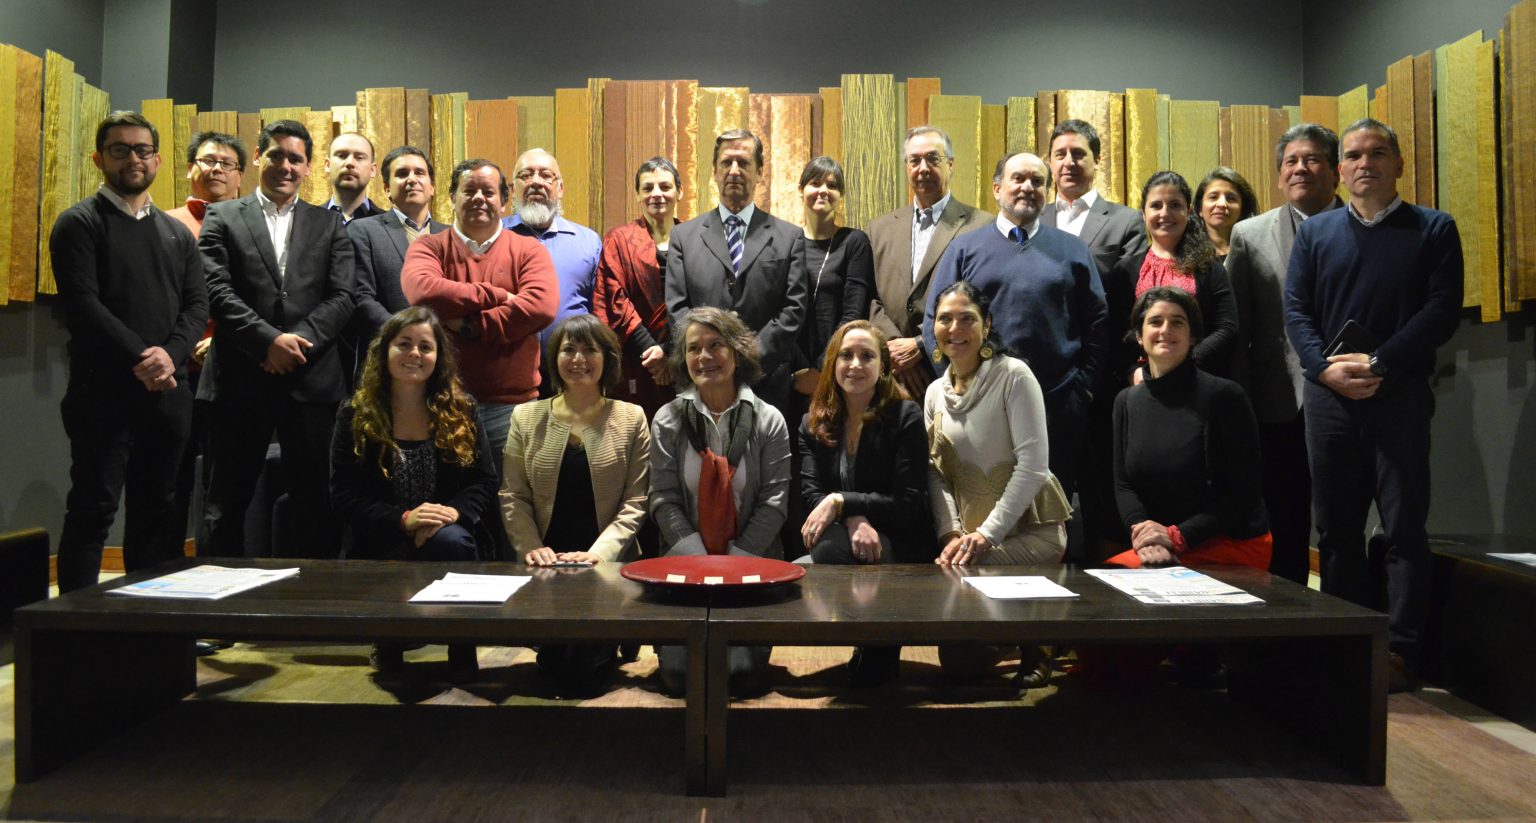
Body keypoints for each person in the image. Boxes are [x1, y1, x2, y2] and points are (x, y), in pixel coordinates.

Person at [1284, 118, 1463, 692]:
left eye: (1377, 153)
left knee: (1403, 527)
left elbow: (1441, 311)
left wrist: (1381, 362)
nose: (1365, 164)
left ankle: (1400, 651)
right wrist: (1324, 369)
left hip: (1399, 397)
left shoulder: (1434, 229)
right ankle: (1346, 642)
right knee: (1336, 531)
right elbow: (1296, 310)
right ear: (1341, 170)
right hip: (1329, 401)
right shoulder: (1316, 233)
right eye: (1355, 155)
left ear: (1399, 164)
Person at [50, 111, 208, 592]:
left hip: (168, 395)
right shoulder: (79, 223)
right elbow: (83, 306)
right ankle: (76, 625)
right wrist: (145, 358)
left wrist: (170, 357)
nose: (133, 159)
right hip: (103, 394)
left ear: (157, 159)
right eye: (120, 149)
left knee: (158, 511)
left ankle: (144, 621)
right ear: (98, 158)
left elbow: (196, 306)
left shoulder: (176, 233)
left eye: (142, 150)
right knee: (94, 508)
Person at [923, 152, 1107, 564]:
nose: (1028, 187)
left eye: (1038, 181)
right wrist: (961, 387)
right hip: (979, 413)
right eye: (1018, 179)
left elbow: (1097, 324)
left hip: (1058, 405)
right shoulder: (966, 247)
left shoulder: (1072, 249)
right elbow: (937, 320)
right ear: (997, 188)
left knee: (1043, 523)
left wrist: (1082, 391)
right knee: (980, 526)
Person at [199, 118, 355, 559]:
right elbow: (214, 289)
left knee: (317, 505)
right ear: (258, 158)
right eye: (276, 155)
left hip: (311, 381)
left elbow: (343, 296)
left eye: (295, 159)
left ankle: (312, 598)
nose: (285, 166)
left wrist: (296, 342)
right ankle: (219, 599)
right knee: (225, 504)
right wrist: (267, 342)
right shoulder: (222, 216)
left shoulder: (329, 224)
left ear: (308, 167)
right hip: (240, 379)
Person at [329, 306, 495, 677]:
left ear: (439, 357)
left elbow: (484, 481)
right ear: (385, 351)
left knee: (453, 541)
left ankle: (462, 651)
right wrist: (404, 519)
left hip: (443, 532)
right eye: (404, 344)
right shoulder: (355, 413)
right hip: (381, 534)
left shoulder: (462, 409)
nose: (414, 354)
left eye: (425, 346)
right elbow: (343, 495)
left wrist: (450, 514)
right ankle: (389, 642)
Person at [925, 282, 1071, 686]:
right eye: (945, 319)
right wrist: (952, 533)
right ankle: (1011, 632)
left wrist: (985, 536)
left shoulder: (1014, 376)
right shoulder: (934, 392)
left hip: (1032, 532)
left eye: (967, 318)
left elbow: (1034, 466)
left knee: (960, 573)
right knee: (959, 663)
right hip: (972, 538)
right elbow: (936, 471)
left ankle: (1037, 637)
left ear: (986, 326)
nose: (955, 328)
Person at [501, 314, 651, 693]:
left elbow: (636, 501)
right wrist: (531, 547)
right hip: (546, 563)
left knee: (580, 674)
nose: (579, 359)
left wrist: (599, 554)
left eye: (590, 350)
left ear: (607, 359)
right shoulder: (526, 416)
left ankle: (612, 636)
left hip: (605, 564)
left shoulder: (631, 417)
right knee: (552, 668)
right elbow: (513, 495)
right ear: (554, 359)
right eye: (569, 349)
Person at [650, 307, 791, 696]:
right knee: (682, 678)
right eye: (693, 348)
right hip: (684, 568)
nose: (704, 357)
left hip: (750, 567)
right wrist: (701, 566)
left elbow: (774, 503)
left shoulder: (769, 420)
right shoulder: (667, 419)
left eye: (716, 345)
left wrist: (731, 566)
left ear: (737, 352)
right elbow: (663, 499)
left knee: (741, 678)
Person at [1227, 123, 1343, 585]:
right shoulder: (1248, 234)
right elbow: (1238, 328)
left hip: (1347, 397)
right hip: (1277, 401)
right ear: (1278, 176)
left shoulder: (1360, 225)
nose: (1300, 169)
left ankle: (1345, 613)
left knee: (1342, 517)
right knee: (1285, 519)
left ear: (1335, 170)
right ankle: (1290, 613)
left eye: (1312, 159)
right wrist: (1242, 405)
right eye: (1291, 161)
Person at [798, 320, 936, 685]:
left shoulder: (905, 416)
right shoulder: (812, 422)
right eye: (846, 355)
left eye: (867, 356)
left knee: (827, 550)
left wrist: (842, 501)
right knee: (818, 556)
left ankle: (879, 643)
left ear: (884, 367)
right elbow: (812, 495)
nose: (855, 365)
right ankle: (871, 640)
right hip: (850, 536)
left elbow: (908, 503)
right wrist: (851, 516)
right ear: (833, 363)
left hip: (901, 541)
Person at [400, 158, 559, 463]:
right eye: (468, 191)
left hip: (512, 409)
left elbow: (541, 306)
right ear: (451, 198)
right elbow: (423, 291)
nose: (478, 198)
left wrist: (470, 325)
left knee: (510, 492)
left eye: (488, 192)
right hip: (442, 403)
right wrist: (498, 295)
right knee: (446, 492)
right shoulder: (428, 247)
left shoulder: (529, 250)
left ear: (503, 201)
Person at [1108, 287, 1271, 571]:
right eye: (1155, 321)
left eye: (1177, 322)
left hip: (1230, 542)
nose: (1165, 330)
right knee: (1103, 583)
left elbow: (1245, 493)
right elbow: (1124, 485)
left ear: (1193, 336)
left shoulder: (1225, 396)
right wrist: (1144, 533)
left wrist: (1178, 536)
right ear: (1139, 335)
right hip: (1161, 543)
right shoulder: (1126, 401)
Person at [664, 129, 808, 411]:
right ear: (714, 171)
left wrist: (749, 353)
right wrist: (709, 353)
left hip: (766, 380)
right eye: (726, 163)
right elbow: (677, 307)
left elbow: (794, 307)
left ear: (759, 172)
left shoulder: (789, 237)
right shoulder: (683, 237)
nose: (734, 171)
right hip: (702, 379)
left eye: (743, 163)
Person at [868, 126, 989, 399]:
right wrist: (895, 346)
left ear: (951, 164)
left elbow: (981, 297)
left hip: (952, 371)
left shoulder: (981, 226)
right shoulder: (879, 229)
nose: (923, 168)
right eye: (915, 160)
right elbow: (869, 296)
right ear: (906, 166)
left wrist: (921, 344)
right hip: (889, 373)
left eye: (933, 159)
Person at [1106, 171, 1239, 381]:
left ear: (1188, 211)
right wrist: (1133, 372)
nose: (1165, 213)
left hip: (1199, 380)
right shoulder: (1125, 270)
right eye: (1156, 206)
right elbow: (1114, 333)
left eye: (1175, 205)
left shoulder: (1210, 268)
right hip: (1142, 384)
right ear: (1143, 214)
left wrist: (1183, 365)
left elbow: (1227, 328)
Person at [592, 156, 679, 419]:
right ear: (638, 195)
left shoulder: (695, 238)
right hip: (636, 359)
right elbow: (614, 298)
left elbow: (701, 300)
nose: (657, 194)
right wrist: (653, 355)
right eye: (648, 188)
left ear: (679, 192)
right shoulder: (619, 240)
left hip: (685, 357)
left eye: (665, 186)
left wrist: (670, 351)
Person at [504, 148, 602, 357]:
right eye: (526, 175)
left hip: (571, 364)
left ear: (560, 188)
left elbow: (600, 310)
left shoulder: (588, 242)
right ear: (512, 189)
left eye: (546, 175)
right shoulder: (495, 236)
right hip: (507, 362)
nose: (536, 182)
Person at [349, 146, 451, 345]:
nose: (412, 179)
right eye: (402, 174)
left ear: (432, 187)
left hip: (446, 349)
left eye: (419, 173)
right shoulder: (363, 230)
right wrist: (403, 334)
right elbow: (361, 297)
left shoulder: (451, 235)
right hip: (387, 347)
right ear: (387, 189)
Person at [791, 156, 874, 396]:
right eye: (815, 183)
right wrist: (800, 368)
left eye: (832, 185)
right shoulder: (786, 241)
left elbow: (853, 314)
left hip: (841, 368)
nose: (823, 191)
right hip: (791, 372)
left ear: (841, 195)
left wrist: (821, 369)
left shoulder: (854, 242)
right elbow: (778, 311)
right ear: (801, 190)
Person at [1040, 119, 1145, 278]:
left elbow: (1128, 289)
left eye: (1078, 154)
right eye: (1060, 155)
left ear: (1097, 160)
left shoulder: (1126, 222)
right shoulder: (1032, 221)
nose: (1069, 162)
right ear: (1050, 163)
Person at [1194, 167, 1259, 260]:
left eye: (1231, 198)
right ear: (1200, 208)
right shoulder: (1184, 252)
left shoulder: (1256, 251)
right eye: (1213, 197)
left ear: (1243, 208)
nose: (1222, 204)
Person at [323, 132, 384, 223]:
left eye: (359, 157)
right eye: (341, 156)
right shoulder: (307, 222)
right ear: (328, 165)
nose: (350, 163)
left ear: (372, 170)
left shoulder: (393, 227)